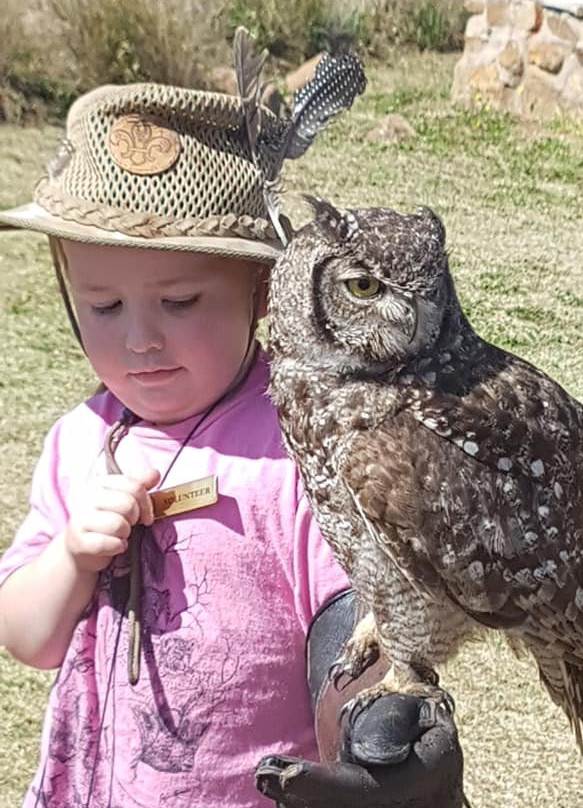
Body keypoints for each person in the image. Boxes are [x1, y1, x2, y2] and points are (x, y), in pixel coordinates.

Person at [0, 74, 463, 808]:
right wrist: (70, 557)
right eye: (103, 304)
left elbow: (351, 627)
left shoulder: (301, 445)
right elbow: (28, 639)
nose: (140, 337)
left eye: (180, 301)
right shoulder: (78, 442)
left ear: (260, 288)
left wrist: (376, 731)